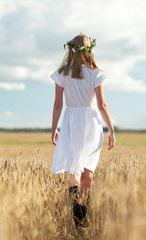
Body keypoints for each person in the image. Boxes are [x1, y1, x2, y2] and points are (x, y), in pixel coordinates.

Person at [50, 33, 115, 228]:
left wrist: (54, 128)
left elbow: (57, 104)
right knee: (88, 173)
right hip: (92, 123)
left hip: (71, 122)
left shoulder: (62, 73)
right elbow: (102, 105)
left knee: (74, 169)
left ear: (71, 50)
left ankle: (77, 215)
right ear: (90, 50)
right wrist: (111, 129)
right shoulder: (96, 74)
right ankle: (84, 215)